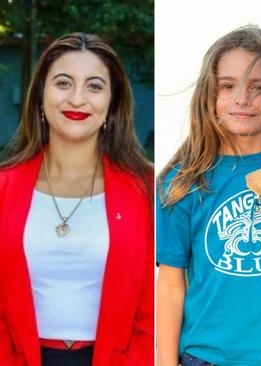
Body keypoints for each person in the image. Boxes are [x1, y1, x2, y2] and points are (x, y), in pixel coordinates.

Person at [156, 25, 261, 366]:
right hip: (206, 358)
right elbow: (171, 286)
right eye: (227, 86)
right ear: (209, 96)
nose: (242, 100)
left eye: (257, 88)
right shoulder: (183, 181)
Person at [0, 33, 154, 366]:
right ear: (41, 96)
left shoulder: (146, 190)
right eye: (63, 83)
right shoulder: (3, 189)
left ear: (112, 105)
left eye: (95, 86)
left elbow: (153, 307)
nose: (77, 98)